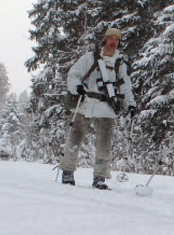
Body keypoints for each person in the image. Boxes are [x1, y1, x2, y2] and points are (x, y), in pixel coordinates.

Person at [58, 27, 138, 190]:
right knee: (75, 138)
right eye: (111, 39)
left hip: (106, 107)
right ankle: (67, 171)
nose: (113, 43)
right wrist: (77, 88)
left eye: (116, 40)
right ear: (105, 40)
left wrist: (131, 104)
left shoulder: (120, 64)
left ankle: (100, 177)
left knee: (104, 144)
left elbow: (126, 87)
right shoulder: (90, 58)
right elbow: (73, 75)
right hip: (85, 103)